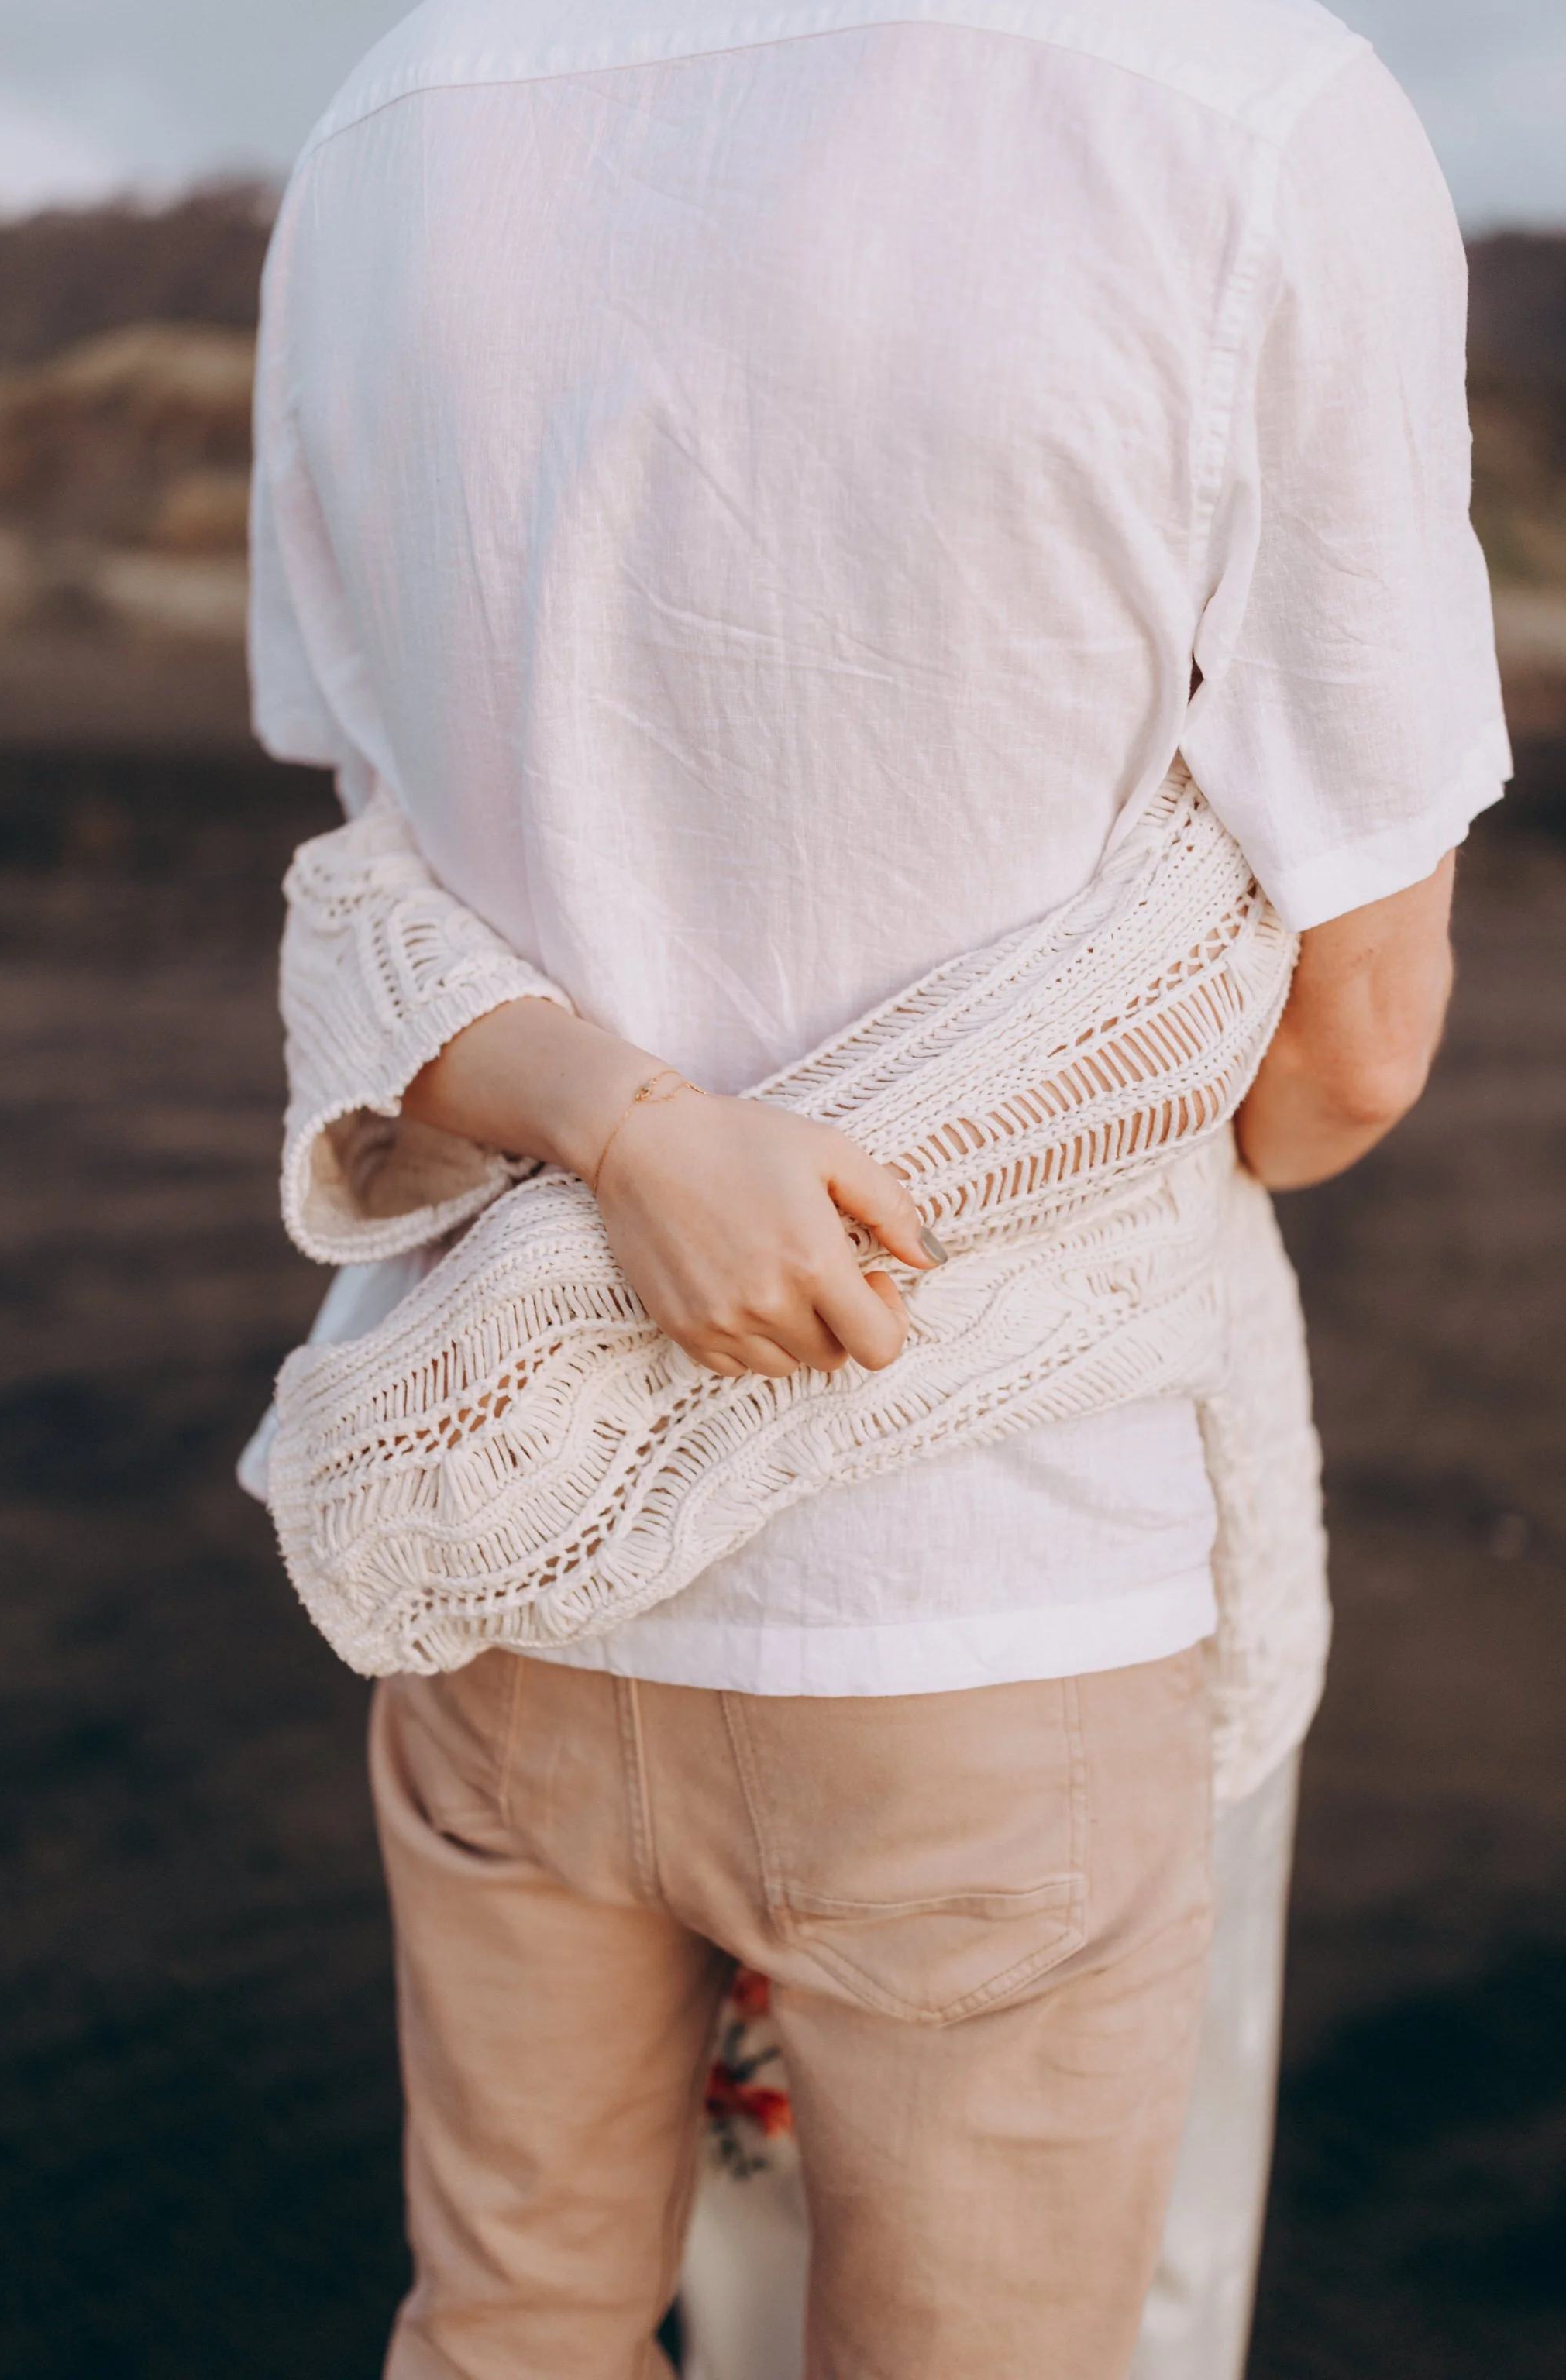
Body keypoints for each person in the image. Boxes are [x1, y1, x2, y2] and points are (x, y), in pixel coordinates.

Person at [246, 3, 1506, 2374]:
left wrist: (645, 1145)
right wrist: (971, 1169)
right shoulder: (1246, 106)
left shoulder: (396, 115)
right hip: (988, 1598)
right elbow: (1356, 1039)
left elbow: (378, 830)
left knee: (506, 2334)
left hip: (498, 1536)